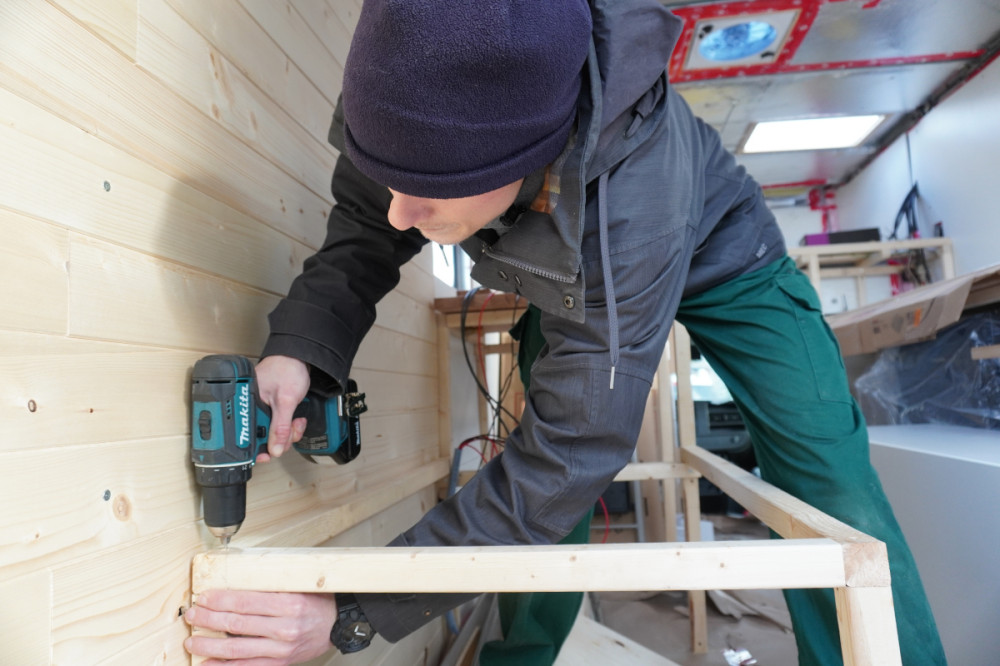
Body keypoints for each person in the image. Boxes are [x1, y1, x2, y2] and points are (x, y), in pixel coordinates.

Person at [184, 1, 946, 664]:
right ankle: (520, 658)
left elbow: (574, 451)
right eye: (393, 179)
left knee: (826, 475)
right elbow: (363, 227)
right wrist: (302, 348)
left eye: (431, 195)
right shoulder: (406, 88)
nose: (398, 213)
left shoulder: (631, 204)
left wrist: (353, 612)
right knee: (544, 473)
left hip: (726, 259)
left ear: (529, 154)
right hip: (572, 264)